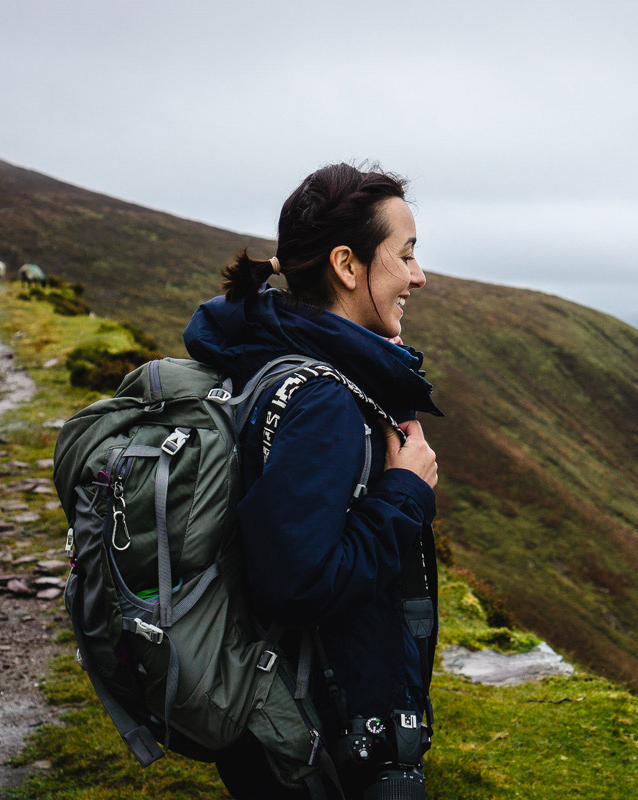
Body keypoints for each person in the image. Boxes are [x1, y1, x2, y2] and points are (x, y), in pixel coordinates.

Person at [183, 163, 442, 799]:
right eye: (405, 255)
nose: (419, 276)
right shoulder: (321, 398)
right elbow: (298, 584)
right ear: (348, 266)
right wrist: (406, 492)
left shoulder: (263, 352)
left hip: (281, 711)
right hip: (318, 734)